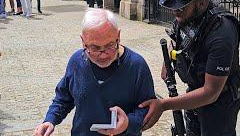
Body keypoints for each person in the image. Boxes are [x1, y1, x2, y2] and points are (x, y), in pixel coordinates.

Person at [139, 0, 240, 136]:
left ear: (202, 3)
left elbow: (211, 92)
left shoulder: (221, 33)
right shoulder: (186, 15)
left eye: (182, 7)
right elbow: (176, 37)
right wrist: (168, 59)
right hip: (196, 88)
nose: (176, 12)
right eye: (174, 7)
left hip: (221, 99)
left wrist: (164, 105)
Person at [33, 8, 155, 136]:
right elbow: (63, 98)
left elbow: (149, 109)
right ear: (83, 41)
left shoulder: (137, 65)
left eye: (110, 46)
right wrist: (50, 120)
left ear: (118, 36)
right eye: (94, 48)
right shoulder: (76, 62)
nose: (103, 55)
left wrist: (128, 123)